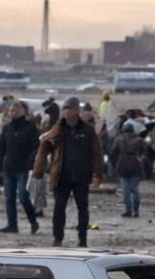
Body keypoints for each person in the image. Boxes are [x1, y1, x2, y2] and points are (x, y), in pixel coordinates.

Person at [33, 96, 103, 248]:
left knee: (82, 208)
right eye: (64, 108)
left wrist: (97, 174)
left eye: (68, 108)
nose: (65, 111)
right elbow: (44, 146)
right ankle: (58, 237)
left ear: (76, 111)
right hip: (61, 175)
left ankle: (82, 238)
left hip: (81, 176)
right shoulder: (58, 128)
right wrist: (38, 170)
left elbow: (96, 153)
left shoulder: (88, 130)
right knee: (59, 208)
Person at [0, 101, 41, 234]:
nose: (12, 111)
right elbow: (1, 149)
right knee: (9, 197)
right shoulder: (7, 128)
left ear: (23, 111)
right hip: (8, 167)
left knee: (23, 195)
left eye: (16, 109)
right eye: (11, 109)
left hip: (23, 167)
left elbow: (36, 147)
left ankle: (33, 221)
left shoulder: (30, 127)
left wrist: (31, 162)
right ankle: (12, 225)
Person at [109, 120, 148, 218]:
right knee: (134, 189)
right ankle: (136, 210)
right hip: (135, 163)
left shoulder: (119, 139)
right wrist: (141, 159)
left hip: (122, 164)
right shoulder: (139, 139)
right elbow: (146, 151)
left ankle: (128, 210)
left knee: (125, 189)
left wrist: (114, 165)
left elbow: (113, 153)